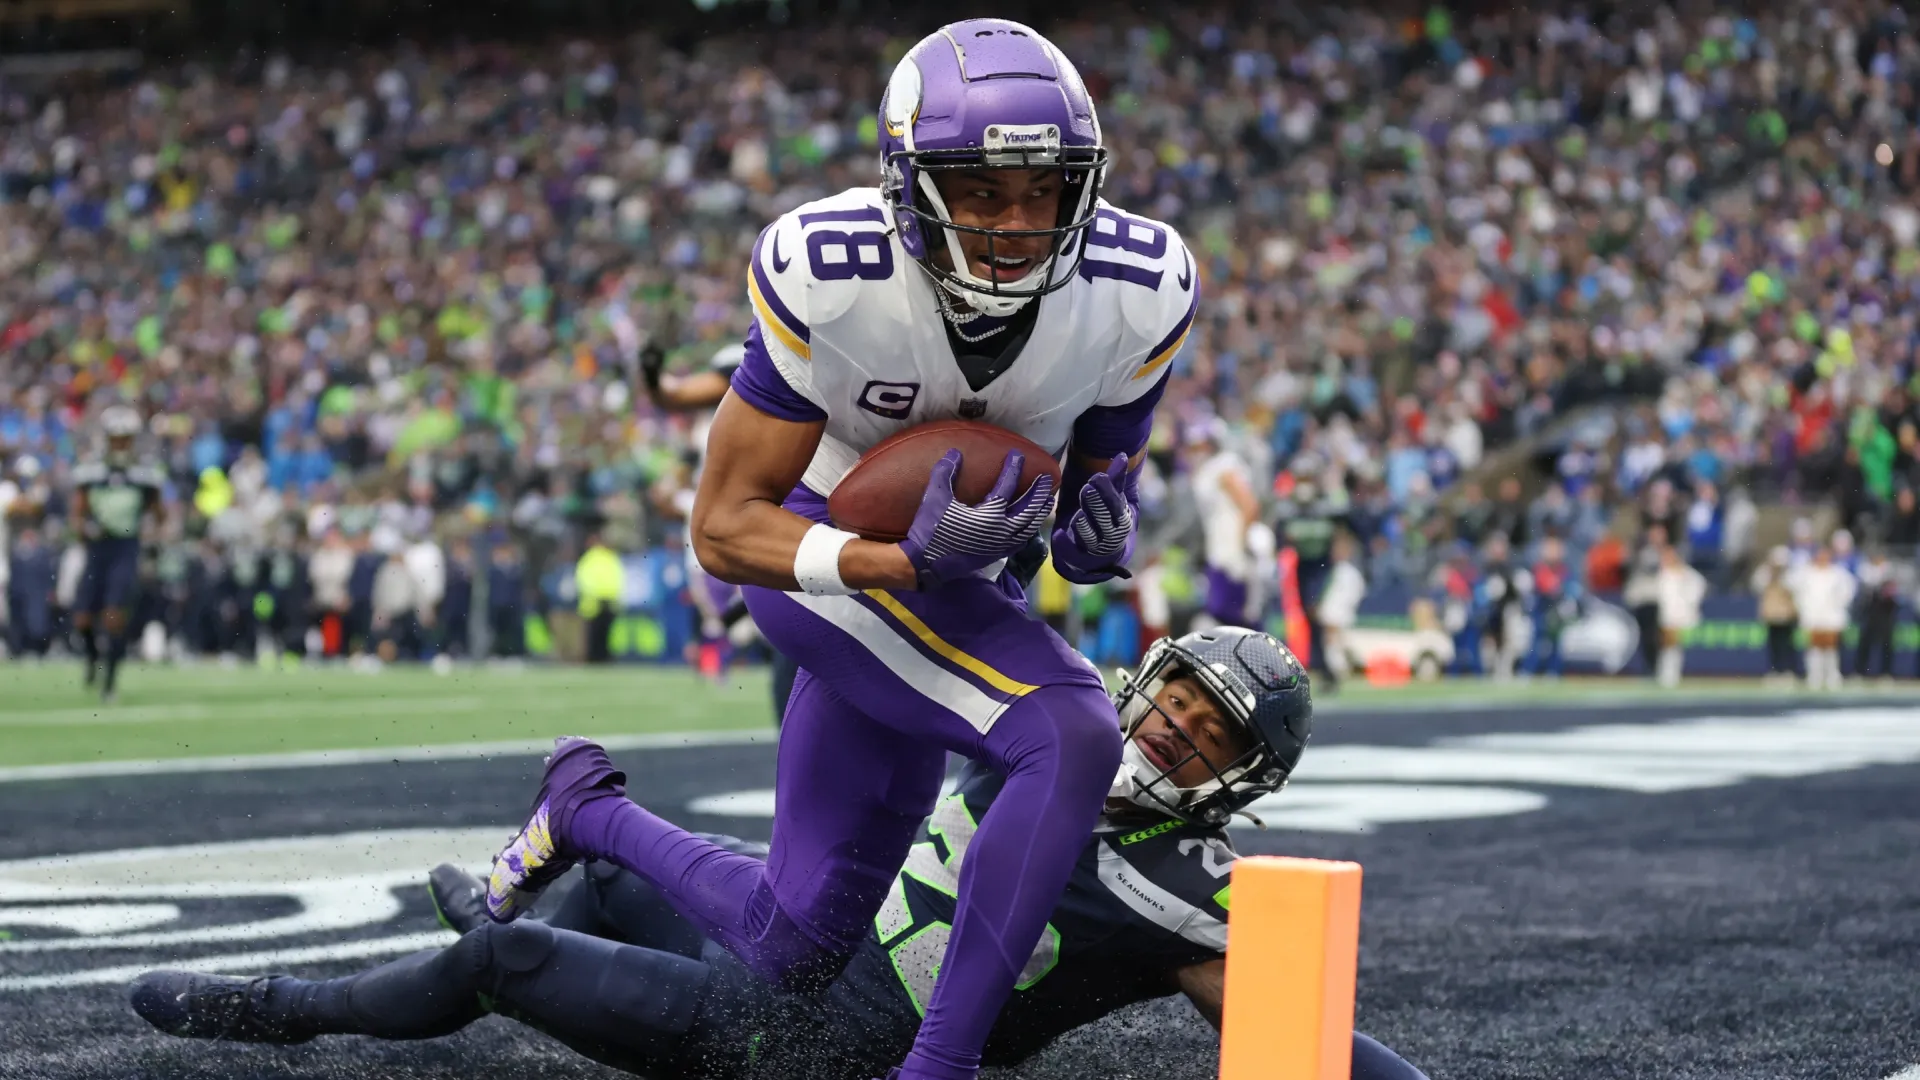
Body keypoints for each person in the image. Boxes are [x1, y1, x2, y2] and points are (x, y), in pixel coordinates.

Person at [483, 23, 1195, 1080]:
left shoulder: (1141, 287)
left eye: (1042, 192)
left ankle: (589, 810)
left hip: (954, 582)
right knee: (1069, 729)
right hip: (822, 563)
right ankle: (937, 1067)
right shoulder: (833, 272)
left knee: (796, 942)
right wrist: (895, 561)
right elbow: (725, 526)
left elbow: (1092, 490)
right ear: (909, 186)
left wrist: (1098, 536)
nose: (1015, 223)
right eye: (982, 190)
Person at [128, 628, 1429, 1080]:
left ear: (1234, 777)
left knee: (510, 954)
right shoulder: (1050, 742)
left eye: (1201, 738)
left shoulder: (1183, 892)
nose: (1168, 731)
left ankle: (288, 1012)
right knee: (610, 881)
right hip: (802, 952)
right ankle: (517, 884)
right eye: (1171, 705)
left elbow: (1291, 1035)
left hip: (816, 1048)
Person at [70, 405, 164, 702]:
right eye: (116, 437)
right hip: (97, 546)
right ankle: (92, 657)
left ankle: (109, 682)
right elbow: (78, 510)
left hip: (125, 545)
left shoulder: (143, 471)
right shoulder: (92, 469)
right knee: (82, 618)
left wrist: (151, 530)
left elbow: (157, 511)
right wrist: (84, 527)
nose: (121, 444)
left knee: (113, 615)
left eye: (125, 438)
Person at [1791, 544, 1856, 692]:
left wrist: (1839, 604)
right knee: (1814, 645)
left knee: (1831, 645)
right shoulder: (1807, 573)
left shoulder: (1838, 573)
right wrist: (1803, 605)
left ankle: (1832, 675)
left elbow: (1849, 589)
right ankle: (1814, 676)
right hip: (1813, 613)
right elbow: (1795, 587)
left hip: (1831, 613)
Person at [1653, 543, 1707, 689]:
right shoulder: (1663, 574)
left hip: (1681, 613)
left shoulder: (1686, 573)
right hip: (1668, 613)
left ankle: (1671, 675)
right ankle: (1667, 674)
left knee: (1675, 645)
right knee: (1668, 645)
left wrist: (1690, 602)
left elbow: (1699, 585)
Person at [1751, 546, 1799, 685]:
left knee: (1787, 643)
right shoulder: (1764, 572)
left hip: (1786, 614)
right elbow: (1756, 585)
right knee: (1773, 644)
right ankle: (1775, 670)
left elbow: (1794, 588)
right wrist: (1771, 574)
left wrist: (1781, 576)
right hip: (1772, 614)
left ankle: (1788, 670)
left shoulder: (1792, 574)